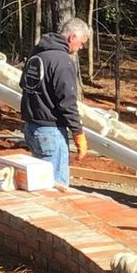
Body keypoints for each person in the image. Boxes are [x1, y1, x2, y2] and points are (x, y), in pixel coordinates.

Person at [20, 17, 91, 187]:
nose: (80, 48)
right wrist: (78, 133)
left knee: (40, 184)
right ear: (71, 37)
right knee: (56, 188)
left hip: (31, 128)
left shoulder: (37, 53)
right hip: (50, 133)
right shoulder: (62, 61)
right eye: (81, 43)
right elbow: (67, 102)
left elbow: (24, 83)